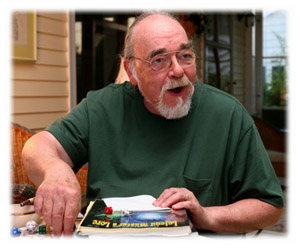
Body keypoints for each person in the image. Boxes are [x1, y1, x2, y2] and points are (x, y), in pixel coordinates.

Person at [22, 12, 284, 236]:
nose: (178, 70)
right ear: (132, 70)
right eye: (159, 60)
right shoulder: (100, 108)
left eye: (185, 56)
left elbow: (269, 207)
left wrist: (206, 215)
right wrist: (55, 169)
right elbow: (38, 146)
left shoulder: (228, 115)